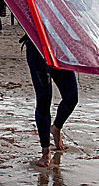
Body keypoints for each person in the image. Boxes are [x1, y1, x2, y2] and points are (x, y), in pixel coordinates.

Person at [22, 35, 78, 168]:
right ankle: (45, 150)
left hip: (60, 46)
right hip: (37, 48)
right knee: (44, 99)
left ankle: (56, 127)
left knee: (72, 97)